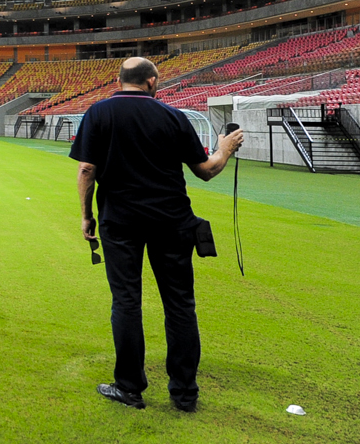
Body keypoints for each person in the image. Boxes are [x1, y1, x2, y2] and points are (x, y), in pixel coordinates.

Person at [70, 56, 243, 411]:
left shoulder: (98, 113)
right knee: (180, 305)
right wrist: (224, 149)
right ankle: (184, 394)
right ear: (151, 81)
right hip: (171, 221)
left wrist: (87, 216)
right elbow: (206, 171)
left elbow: (87, 169)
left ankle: (129, 388)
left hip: (120, 222)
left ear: (121, 81)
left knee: (127, 302)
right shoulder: (173, 116)